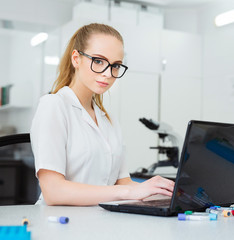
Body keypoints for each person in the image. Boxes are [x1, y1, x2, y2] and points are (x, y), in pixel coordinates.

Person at [30, 23, 174, 206]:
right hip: (59, 223)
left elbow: (124, 183)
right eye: (98, 61)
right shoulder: (53, 106)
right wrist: (128, 191)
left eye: (115, 66)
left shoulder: (108, 119)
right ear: (76, 59)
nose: (108, 73)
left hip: (101, 220)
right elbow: (53, 191)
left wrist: (165, 192)